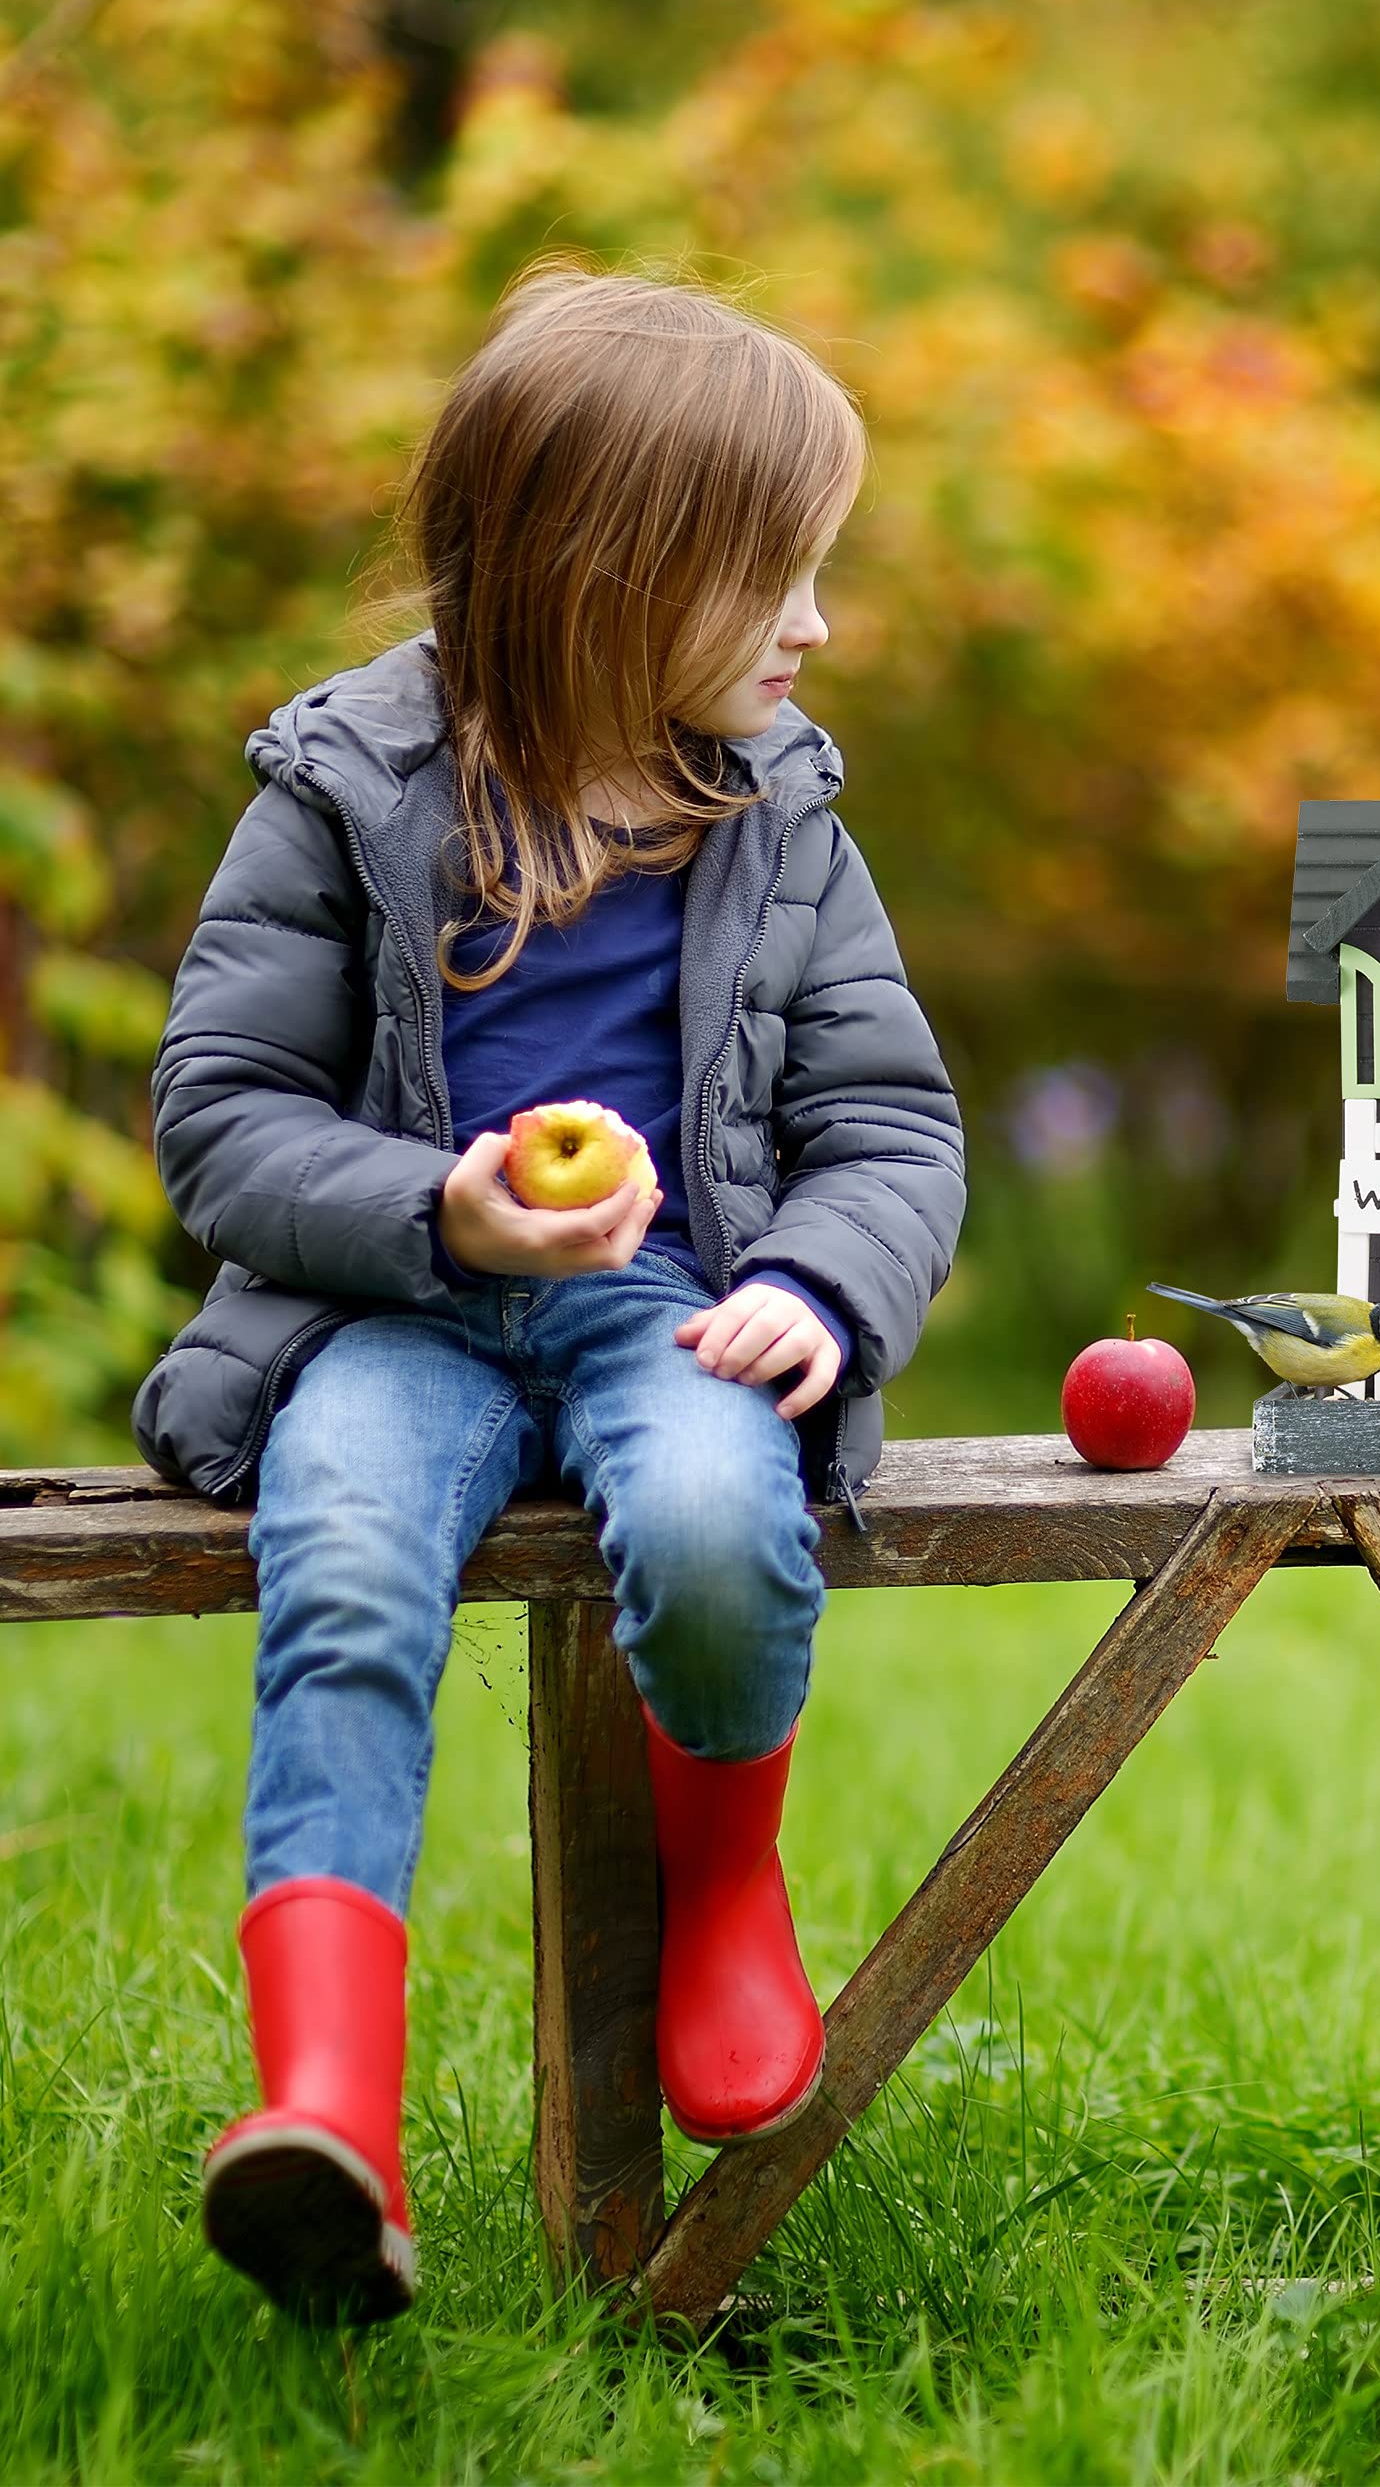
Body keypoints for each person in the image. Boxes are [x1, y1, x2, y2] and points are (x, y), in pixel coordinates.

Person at [133, 266, 966, 2325]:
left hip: (667, 1302)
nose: (816, 625)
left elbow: (891, 1120)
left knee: (707, 1515)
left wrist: (817, 1289)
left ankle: (725, 1888)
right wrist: (443, 1205)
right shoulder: (342, 788)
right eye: (777, 575)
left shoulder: (775, 818)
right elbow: (222, 1115)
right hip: (394, 1309)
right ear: (618, 575)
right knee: (341, 1571)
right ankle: (326, 2109)